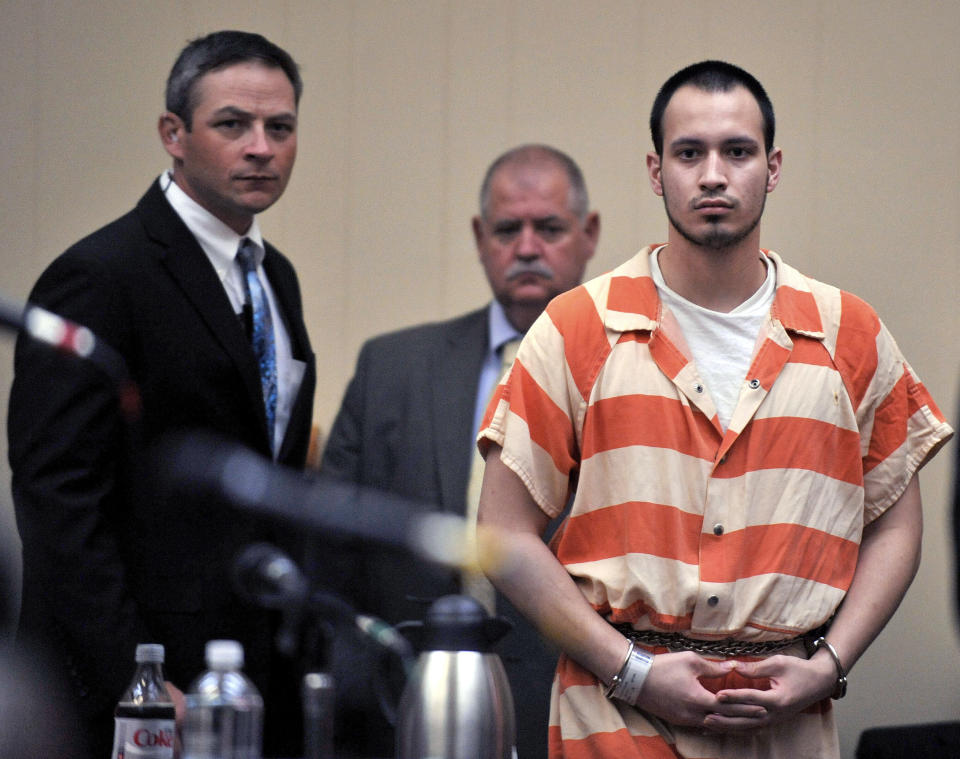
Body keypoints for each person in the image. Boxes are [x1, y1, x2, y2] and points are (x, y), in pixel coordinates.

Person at [476, 61, 953, 758]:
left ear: (774, 165)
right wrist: (632, 669)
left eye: (737, 151)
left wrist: (829, 666)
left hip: (787, 726)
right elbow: (504, 533)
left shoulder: (848, 332)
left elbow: (895, 528)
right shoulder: (577, 328)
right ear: (655, 169)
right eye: (688, 152)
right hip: (614, 724)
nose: (712, 175)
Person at [7, 30, 315, 759]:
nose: (261, 147)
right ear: (172, 135)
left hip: (246, 675)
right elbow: (58, 502)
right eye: (232, 123)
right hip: (128, 684)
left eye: (281, 127)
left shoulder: (278, 278)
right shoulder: (99, 275)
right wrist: (136, 679)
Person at [321, 144, 600, 757]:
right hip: (408, 705)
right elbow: (331, 558)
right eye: (508, 229)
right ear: (480, 237)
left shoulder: (633, 371)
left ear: (589, 234)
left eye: (549, 228)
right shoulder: (390, 369)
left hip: (579, 709)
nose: (527, 247)